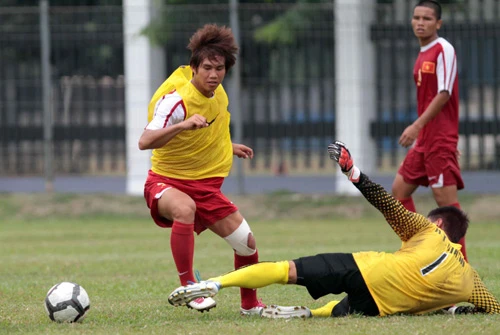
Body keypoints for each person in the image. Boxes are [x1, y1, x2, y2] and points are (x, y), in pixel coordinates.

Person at [167, 141, 500, 318]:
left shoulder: (428, 231)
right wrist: (455, 308)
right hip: (382, 307)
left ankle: (213, 283)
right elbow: (492, 308)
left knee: (289, 270)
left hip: (370, 272)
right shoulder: (470, 280)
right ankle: (310, 315)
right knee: (345, 310)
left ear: (438, 223)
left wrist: (352, 171)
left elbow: (387, 203)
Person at [138, 24, 266, 315]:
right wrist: (182, 124)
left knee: (246, 244)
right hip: (166, 181)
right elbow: (144, 141)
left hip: (206, 187)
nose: (213, 74)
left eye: (219, 68)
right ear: (194, 67)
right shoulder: (176, 101)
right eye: (207, 67)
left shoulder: (218, 94)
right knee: (185, 209)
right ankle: (189, 287)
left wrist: (229, 146)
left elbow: (209, 129)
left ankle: (250, 305)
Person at [391, 0, 468, 261]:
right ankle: (418, 253)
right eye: (416, 18)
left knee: (446, 207)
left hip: (437, 137)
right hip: (426, 139)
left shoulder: (443, 49)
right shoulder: (423, 51)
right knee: (399, 193)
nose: (420, 22)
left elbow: (445, 93)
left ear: (438, 23)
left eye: (426, 18)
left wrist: (417, 125)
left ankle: (462, 271)